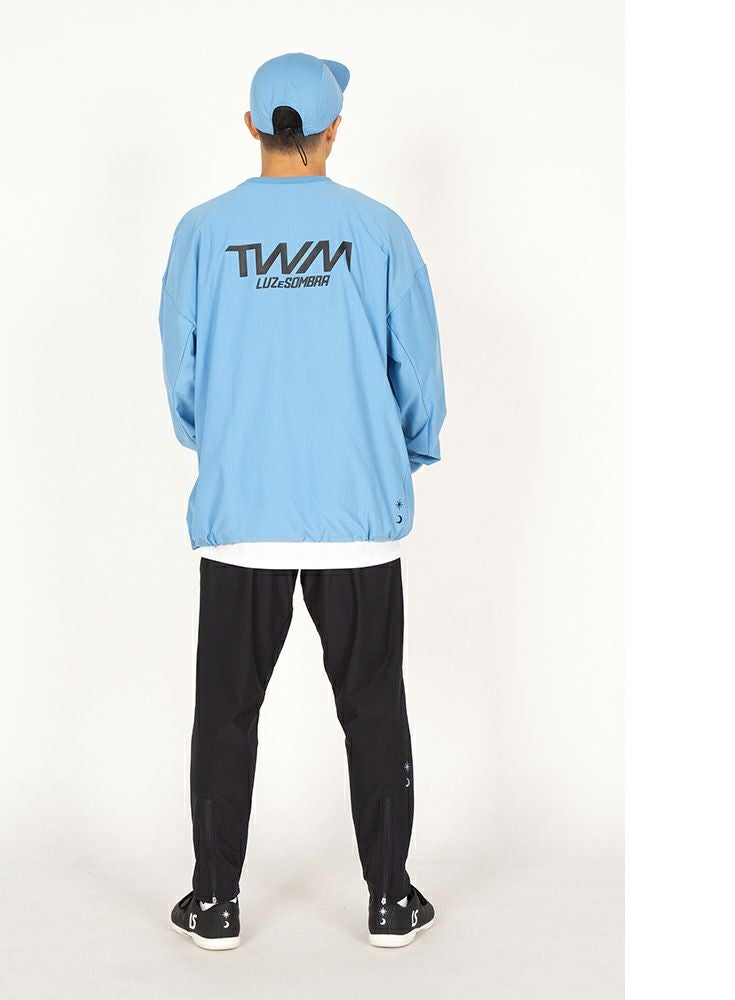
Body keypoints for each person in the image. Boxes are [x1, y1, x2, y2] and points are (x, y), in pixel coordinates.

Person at [160, 52, 446, 951]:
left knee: (225, 711)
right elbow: (418, 371)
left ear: (253, 126)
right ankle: (391, 900)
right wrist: (395, 455)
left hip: (243, 512)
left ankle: (215, 903)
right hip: (354, 513)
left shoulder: (203, 232)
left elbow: (184, 378)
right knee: (373, 705)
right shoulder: (379, 230)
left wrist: (234, 445)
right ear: (334, 130)